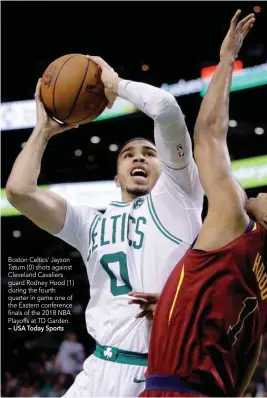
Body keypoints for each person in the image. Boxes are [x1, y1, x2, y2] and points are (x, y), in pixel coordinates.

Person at [135, 10, 267, 397]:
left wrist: (227, 58)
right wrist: (178, 301)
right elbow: (249, 349)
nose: (263, 192)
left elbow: (208, 135)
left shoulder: (236, 220)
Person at [5, 58, 204, 396]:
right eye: (128, 154)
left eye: (149, 153)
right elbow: (20, 192)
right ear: (116, 177)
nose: (139, 157)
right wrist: (43, 131)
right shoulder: (90, 222)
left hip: (151, 370)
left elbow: (167, 109)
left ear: (166, 167)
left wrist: (115, 84)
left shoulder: (179, 198)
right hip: (96, 369)